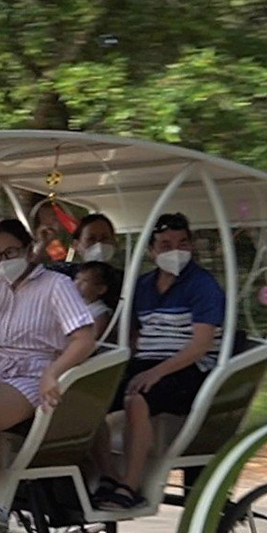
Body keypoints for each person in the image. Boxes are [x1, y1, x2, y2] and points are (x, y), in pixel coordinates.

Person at [0, 219, 98, 528]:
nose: (3, 261)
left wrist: (54, 372)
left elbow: (84, 339)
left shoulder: (56, 286)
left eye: (10, 252)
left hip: (33, 373)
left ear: (29, 251)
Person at [94, 212, 224, 509]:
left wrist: (155, 373)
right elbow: (132, 335)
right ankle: (108, 476)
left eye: (182, 243)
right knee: (88, 401)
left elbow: (200, 346)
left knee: (138, 397)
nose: (175, 251)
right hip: (147, 362)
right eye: (165, 245)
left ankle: (131, 486)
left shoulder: (203, 286)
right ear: (152, 251)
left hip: (189, 368)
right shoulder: (142, 286)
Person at [74, 261, 115, 339]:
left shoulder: (100, 312)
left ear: (100, 289)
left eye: (84, 281)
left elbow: (92, 337)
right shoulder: (72, 305)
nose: (77, 283)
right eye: (77, 278)